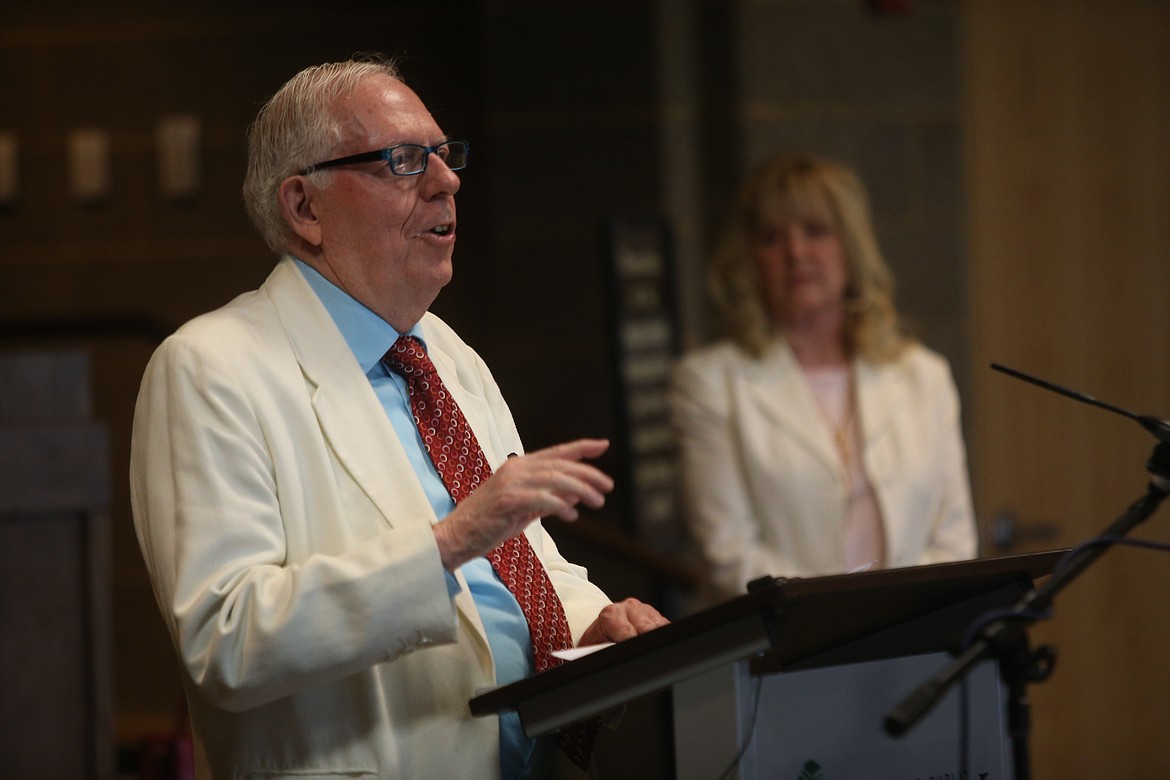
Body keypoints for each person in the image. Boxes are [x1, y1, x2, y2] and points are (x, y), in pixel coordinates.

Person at [129, 55, 667, 780]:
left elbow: (525, 569)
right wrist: (447, 543)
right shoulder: (209, 367)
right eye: (405, 161)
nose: (447, 181)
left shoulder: (445, 354)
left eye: (446, 157)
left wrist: (589, 629)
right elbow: (224, 640)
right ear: (304, 208)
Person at [669, 153, 977, 601]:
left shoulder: (922, 375)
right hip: (781, 649)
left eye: (815, 231)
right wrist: (841, 615)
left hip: (913, 636)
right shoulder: (709, 382)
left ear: (851, 248)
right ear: (752, 259)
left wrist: (893, 615)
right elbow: (728, 551)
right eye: (773, 238)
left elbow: (954, 538)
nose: (796, 253)